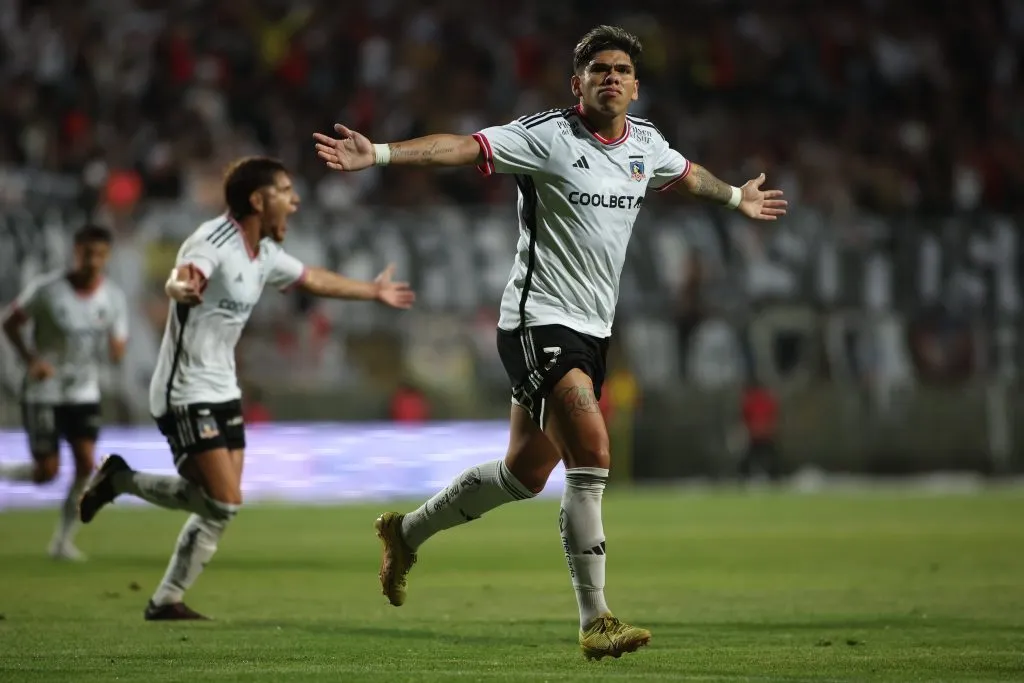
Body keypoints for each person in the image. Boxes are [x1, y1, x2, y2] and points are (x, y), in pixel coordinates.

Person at [313, 24, 787, 659]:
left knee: (523, 474)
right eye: (599, 70)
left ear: (636, 85)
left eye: (621, 69)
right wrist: (383, 155)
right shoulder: (545, 137)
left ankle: (406, 533)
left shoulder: (646, 145)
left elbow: (685, 174)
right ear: (578, 83)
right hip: (538, 321)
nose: (611, 78)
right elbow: (462, 146)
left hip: (594, 328)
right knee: (591, 451)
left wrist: (734, 197)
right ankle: (597, 620)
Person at [77, 156, 415, 620]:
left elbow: (311, 278)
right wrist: (181, 288)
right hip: (184, 389)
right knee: (223, 498)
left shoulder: (266, 253)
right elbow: (183, 277)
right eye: (286, 191)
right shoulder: (211, 241)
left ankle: (165, 598)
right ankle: (122, 483)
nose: (295, 202)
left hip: (222, 388)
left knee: (220, 504)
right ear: (258, 200)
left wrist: (370, 291)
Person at [0, 225, 128, 561]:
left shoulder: (113, 296)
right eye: (87, 253)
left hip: (83, 391)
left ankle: (61, 542)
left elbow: (118, 337)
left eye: (99, 254)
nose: (92, 261)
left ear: (107, 256)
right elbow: (10, 322)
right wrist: (31, 360)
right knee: (47, 473)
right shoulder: (47, 290)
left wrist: (117, 349)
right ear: (76, 253)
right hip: (44, 391)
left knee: (87, 463)